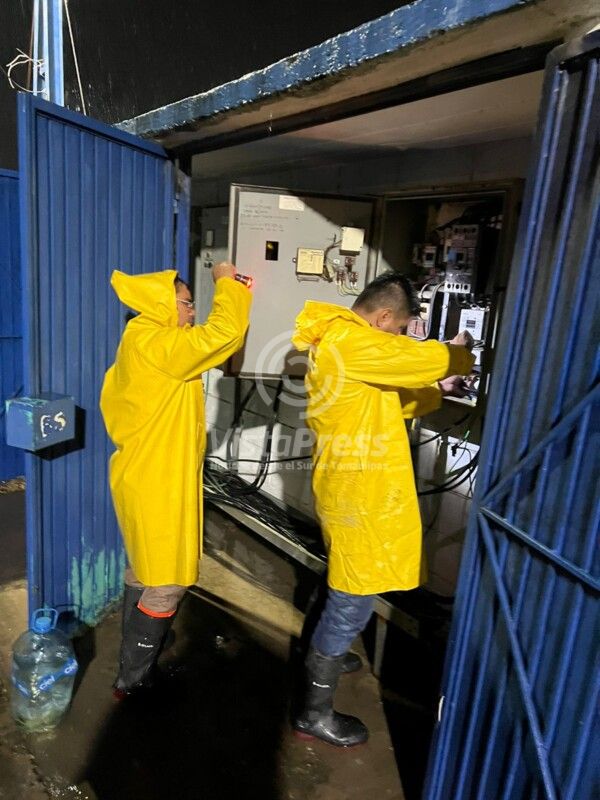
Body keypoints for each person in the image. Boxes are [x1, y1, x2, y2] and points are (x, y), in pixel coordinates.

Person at [291, 271, 474, 746]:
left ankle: (322, 655)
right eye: (399, 329)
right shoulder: (351, 342)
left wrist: (438, 391)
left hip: (353, 486)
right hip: (359, 493)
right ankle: (314, 713)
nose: (399, 338)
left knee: (346, 582)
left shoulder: (346, 344)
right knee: (353, 598)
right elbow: (413, 360)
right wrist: (459, 352)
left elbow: (388, 400)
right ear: (384, 317)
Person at [100, 262, 252, 698]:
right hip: (157, 483)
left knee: (145, 571)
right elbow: (220, 335)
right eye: (186, 304)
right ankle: (133, 681)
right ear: (162, 304)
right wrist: (228, 284)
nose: (191, 312)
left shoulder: (143, 341)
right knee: (168, 581)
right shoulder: (156, 343)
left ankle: (133, 664)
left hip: (145, 476)